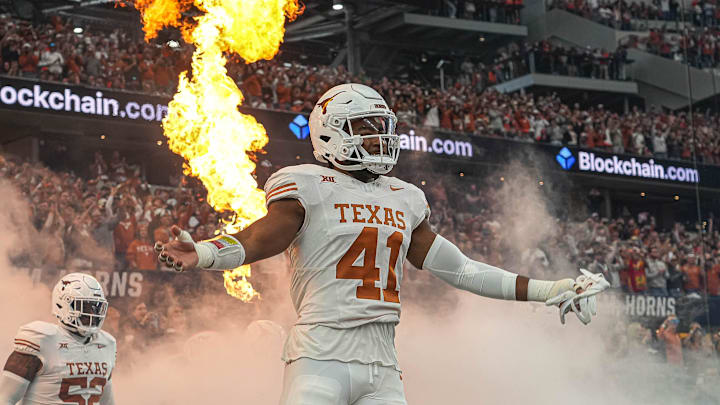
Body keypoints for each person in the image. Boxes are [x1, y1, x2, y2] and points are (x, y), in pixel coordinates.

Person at [155, 83, 609, 405]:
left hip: (383, 362)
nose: (379, 137)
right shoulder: (308, 184)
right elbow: (261, 236)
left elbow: (464, 270)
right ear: (330, 132)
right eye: (364, 127)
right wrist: (206, 252)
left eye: (380, 126)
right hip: (321, 355)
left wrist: (550, 289)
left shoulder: (405, 197)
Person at [0, 273, 116, 405]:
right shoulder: (41, 340)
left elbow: (107, 402)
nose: (92, 314)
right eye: (85, 307)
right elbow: (5, 398)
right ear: (63, 304)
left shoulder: (107, 344)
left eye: (96, 308)